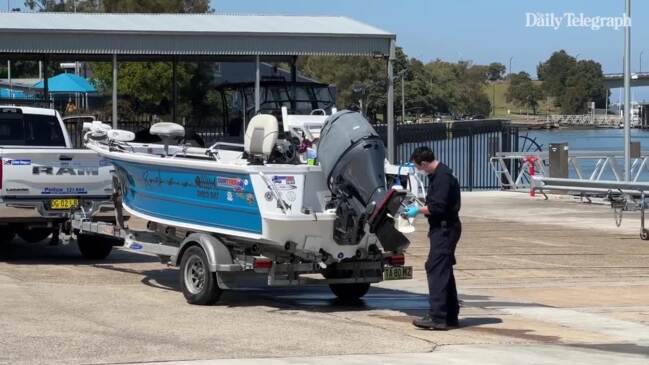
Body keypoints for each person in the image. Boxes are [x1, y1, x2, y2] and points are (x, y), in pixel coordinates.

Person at [405, 146, 462, 330]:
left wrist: (417, 210)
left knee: (435, 269)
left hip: (445, 229)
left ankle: (437, 317)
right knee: (443, 269)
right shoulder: (440, 175)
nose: (419, 171)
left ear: (424, 163)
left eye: (419, 167)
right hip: (444, 228)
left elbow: (437, 207)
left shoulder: (442, 178)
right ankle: (450, 314)